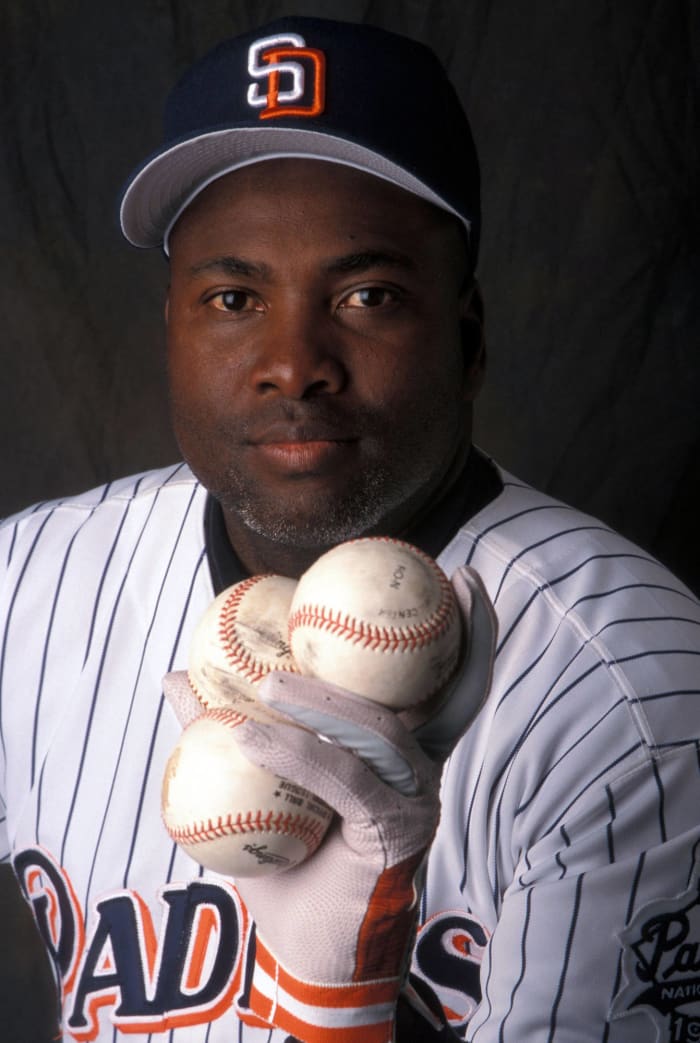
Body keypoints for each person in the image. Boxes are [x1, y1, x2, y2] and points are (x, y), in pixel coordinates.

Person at [1, 14, 699, 1043]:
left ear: (466, 340)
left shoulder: (632, 695)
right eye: (233, 296)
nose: (295, 361)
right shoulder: (24, 588)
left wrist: (341, 1006)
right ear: (169, 332)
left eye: (367, 294)